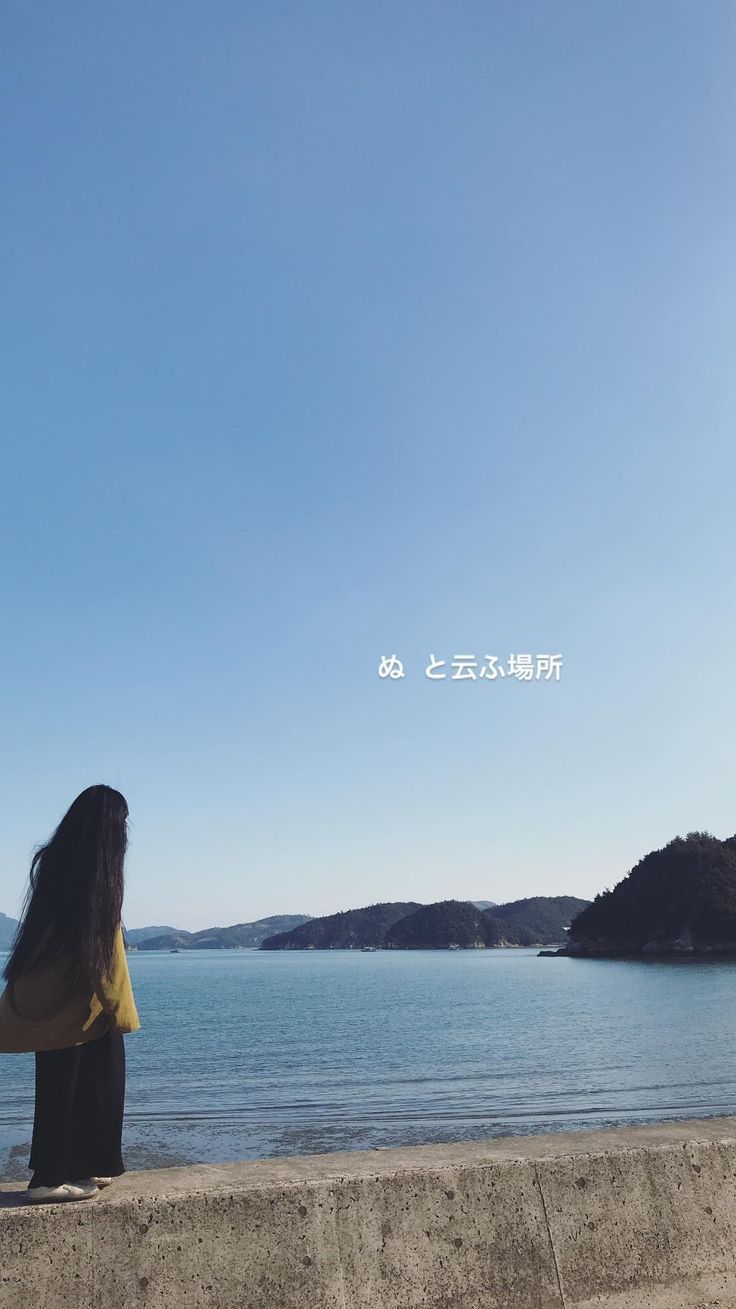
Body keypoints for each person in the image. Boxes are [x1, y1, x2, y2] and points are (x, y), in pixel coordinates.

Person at [0, 785, 141, 1203]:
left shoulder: (58, 862)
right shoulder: (95, 874)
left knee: (96, 1073)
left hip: (64, 991)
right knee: (73, 1077)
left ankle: (89, 1164)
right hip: (72, 997)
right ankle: (50, 1176)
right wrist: (122, 1012)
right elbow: (107, 952)